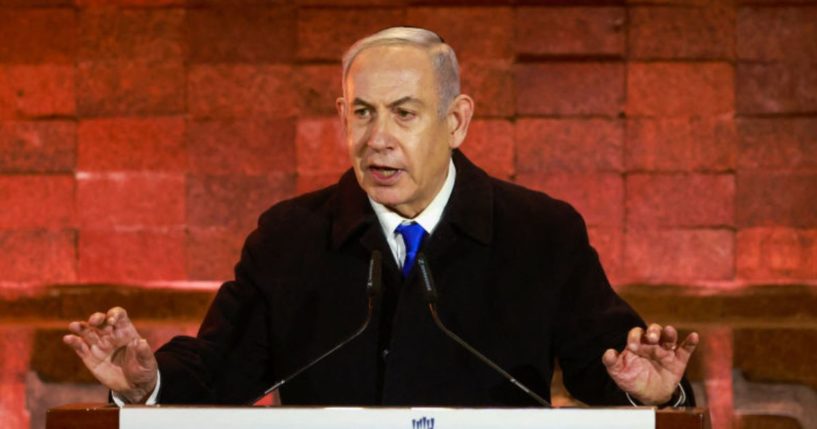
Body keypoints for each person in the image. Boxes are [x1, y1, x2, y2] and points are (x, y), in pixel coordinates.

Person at [63, 27, 698, 407]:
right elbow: (219, 372)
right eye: (361, 112)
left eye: (404, 112)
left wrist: (656, 393)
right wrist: (145, 386)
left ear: (456, 121)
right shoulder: (289, 237)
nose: (377, 138)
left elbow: (611, 371)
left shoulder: (541, 232)